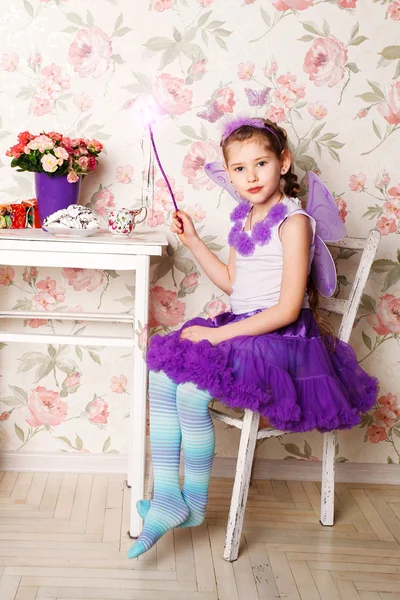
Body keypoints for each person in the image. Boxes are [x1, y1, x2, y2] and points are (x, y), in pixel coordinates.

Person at [127, 116, 378, 559]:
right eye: (239, 169)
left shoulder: (294, 222)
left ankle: (197, 503)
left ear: (283, 162)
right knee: (163, 379)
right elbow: (231, 284)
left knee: (191, 393)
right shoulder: (243, 217)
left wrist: (217, 338)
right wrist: (193, 243)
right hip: (246, 324)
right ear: (229, 176)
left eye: (261, 163)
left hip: (282, 339)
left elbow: (285, 308)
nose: (251, 176)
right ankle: (168, 497)